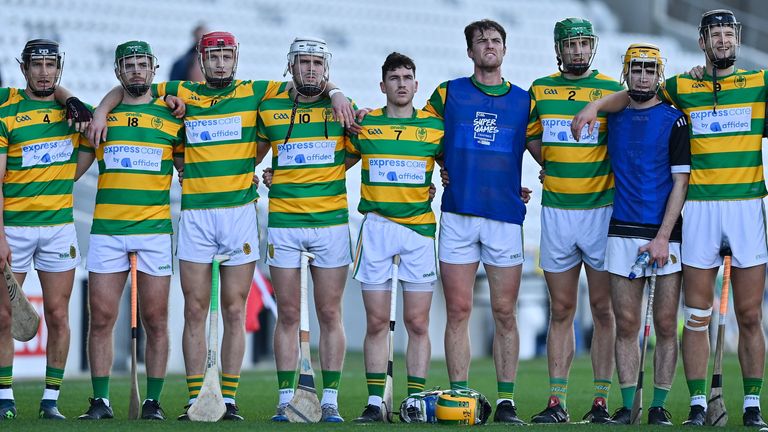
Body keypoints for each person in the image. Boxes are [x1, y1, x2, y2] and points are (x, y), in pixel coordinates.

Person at [89, 31, 354, 422]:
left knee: (233, 309)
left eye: (226, 56)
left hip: (240, 215)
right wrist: (98, 111)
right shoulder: (180, 91)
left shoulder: (257, 92)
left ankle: (227, 400)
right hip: (196, 214)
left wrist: (337, 93)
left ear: (235, 58)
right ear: (201, 58)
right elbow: (128, 87)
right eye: (212, 56)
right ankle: (198, 399)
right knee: (194, 310)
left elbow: (307, 78)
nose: (219, 63)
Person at [572, 9, 767, 427]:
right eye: (713, 34)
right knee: (695, 317)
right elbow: (637, 96)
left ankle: (752, 405)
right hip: (697, 209)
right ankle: (698, 404)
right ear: (701, 41)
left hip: (747, 205)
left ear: (737, 38)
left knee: (749, 316)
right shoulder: (681, 86)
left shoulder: (759, 82)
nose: (721, 40)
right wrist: (594, 105)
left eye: (728, 33)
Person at [423, 19, 537, 425]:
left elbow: (546, 154)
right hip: (457, 215)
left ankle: (506, 401)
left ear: (504, 50)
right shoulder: (447, 93)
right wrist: (441, 166)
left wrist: (535, 178)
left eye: (495, 41)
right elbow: (420, 134)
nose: (489, 46)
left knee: (505, 312)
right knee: (458, 309)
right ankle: (459, 399)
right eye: (481, 41)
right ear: (469, 52)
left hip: (504, 217)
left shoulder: (525, 101)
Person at [76, 41, 184, 421]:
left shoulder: (174, 117)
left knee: (157, 321)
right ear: (117, 72)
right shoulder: (100, 120)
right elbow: (74, 170)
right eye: (128, 65)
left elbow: (190, 169)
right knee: (102, 318)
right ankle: (101, 400)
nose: (136, 71)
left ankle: (153, 401)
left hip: (154, 231)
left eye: (142, 64)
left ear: (153, 69)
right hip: (107, 230)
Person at [526, 17, 623, 424]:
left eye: (585, 44)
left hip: (600, 211)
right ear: (559, 49)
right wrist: (547, 161)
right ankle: (557, 401)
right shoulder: (540, 89)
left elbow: (631, 100)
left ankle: (600, 401)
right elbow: (532, 136)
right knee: (562, 307)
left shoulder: (610, 89)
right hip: (557, 211)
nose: (579, 51)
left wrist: (596, 104)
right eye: (572, 45)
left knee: (602, 308)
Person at [255, 36, 355, 423]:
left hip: (330, 224)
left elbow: (364, 151)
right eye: (303, 62)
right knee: (289, 314)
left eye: (317, 63)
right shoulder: (271, 107)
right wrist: (266, 175)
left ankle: (328, 399)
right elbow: (255, 157)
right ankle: (286, 398)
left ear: (326, 68)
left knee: (330, 313)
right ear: (290, 66)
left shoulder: (343, 108)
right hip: (284, 224)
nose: (310, 69)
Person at [340, 52, 443, 423]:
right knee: (377, 321)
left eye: (407, 77)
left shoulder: (434, 128)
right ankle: (374, 400)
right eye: (394, 78)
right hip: (378, 229)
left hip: (418, 232)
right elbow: (336, 162)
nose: (401, 84)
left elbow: (454, 168)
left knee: (417, 322)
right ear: (382, 86)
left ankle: (414, 401)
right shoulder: (366, 126)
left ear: (417, 85)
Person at [599, 43, 689, 425]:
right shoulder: (614, 117)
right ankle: (627, 404)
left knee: (667, 324)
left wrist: (663, 236)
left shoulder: (675, 119)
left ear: (659, 75)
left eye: (650, 70)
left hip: (665, 233)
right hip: (622, 229)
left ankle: (657, 405)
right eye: (636, 69)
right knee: (627, 324)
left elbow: (680, 182)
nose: (643, 76)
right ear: (626, 73)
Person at [0, 39, 89, 420]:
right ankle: (5, 396)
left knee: (58, 314)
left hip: (58, 229)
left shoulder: (73, 111)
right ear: (24, 69)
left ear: (59, 67)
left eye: (51, 65)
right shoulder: (6, 105)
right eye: (36, 65)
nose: (44, 72)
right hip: (15, 228)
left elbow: (89, 148)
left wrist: (60, 181)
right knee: (4, 315)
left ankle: (50, 400)